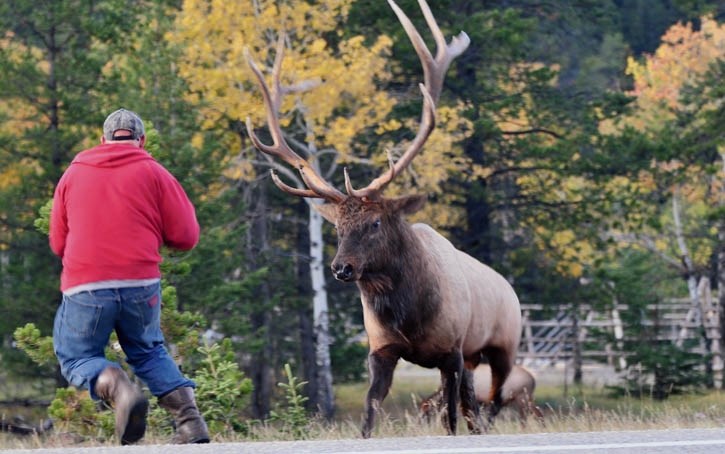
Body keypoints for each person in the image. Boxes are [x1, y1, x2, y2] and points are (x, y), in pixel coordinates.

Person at [49, 108, 209, 445]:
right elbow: (186, 236)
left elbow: (58, 242)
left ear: (102, 139)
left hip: (86, 284)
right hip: (141, 282)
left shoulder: (73, 174)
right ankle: (190, 423)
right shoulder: (155, 172)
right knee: (149, 351)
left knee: (78, 356)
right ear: (142, 140)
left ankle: (117, 387)